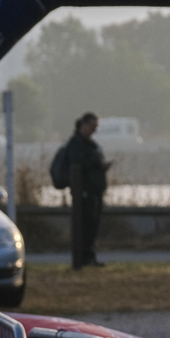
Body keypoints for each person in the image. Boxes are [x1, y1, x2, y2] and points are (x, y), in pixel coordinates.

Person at [64, 112, 111, 270]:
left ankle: (89, 257)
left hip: (94, 192)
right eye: (92, 126)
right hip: (85, 193)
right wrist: (98, 165)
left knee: (93, 226)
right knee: (85, 226)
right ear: (83, 125)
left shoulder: (90, 144)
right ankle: (83, 258)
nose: (94, 130)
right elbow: (79, 164)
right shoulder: (76, 144)